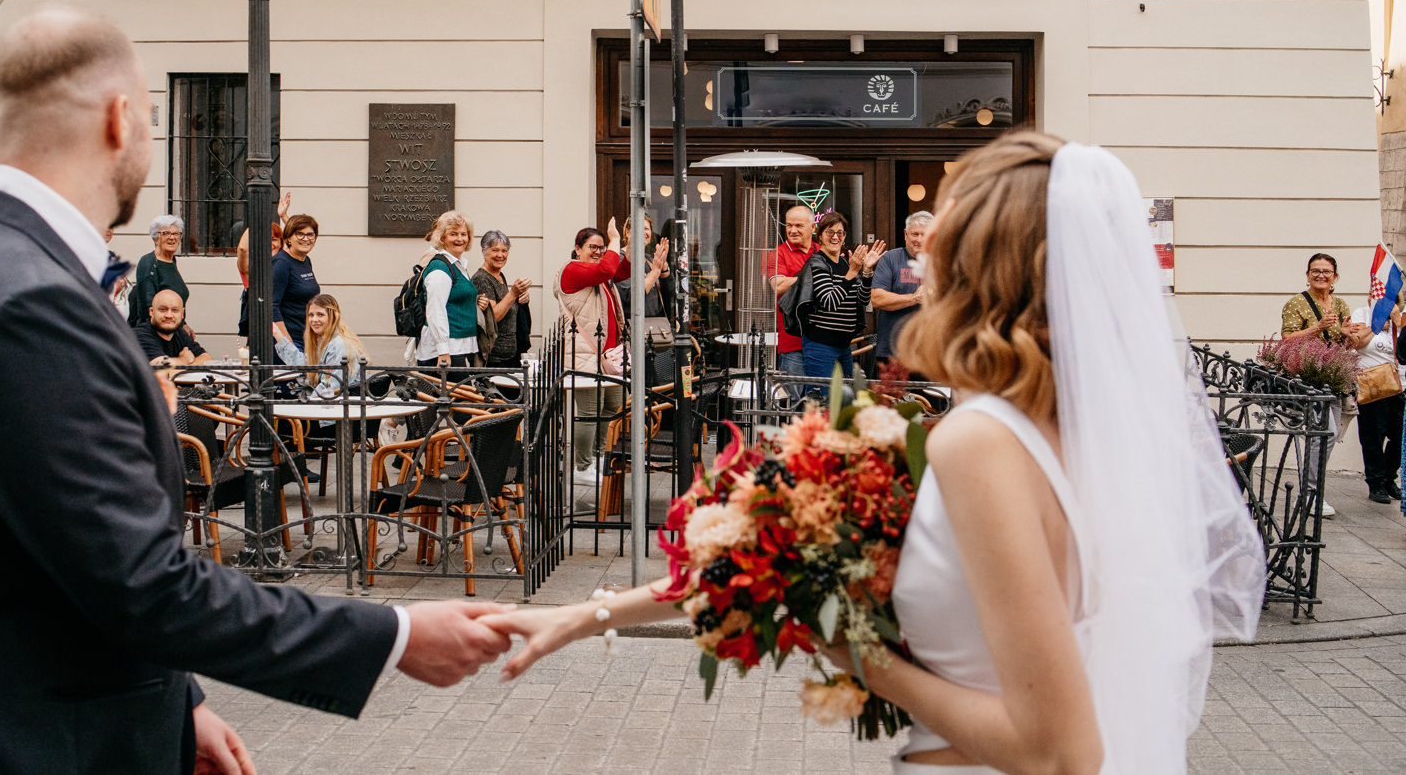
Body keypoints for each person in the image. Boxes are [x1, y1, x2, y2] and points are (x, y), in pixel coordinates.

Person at [0, 8, 513, 774]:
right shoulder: (27, 298)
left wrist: (176, 697)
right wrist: (394, 636)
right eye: (153, 118)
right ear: (118, 118)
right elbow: (140, 578)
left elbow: (59, 555)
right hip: (5, 745)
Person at [480, 132, 1265, 775]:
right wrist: (582, 616)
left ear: (982, 261)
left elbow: (1060, 752)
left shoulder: (981, 442)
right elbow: (768, 551)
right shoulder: (1056, 428)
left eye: (945, 228)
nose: (923, 252)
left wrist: (857, 652)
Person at [555, 220, 630, 488]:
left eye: (601, 247)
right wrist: (613, 240)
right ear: (577, 249)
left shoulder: (599, 276)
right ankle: (582, 467)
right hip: (584, 354)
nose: (598, 252)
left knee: (614, 406)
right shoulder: (572, 270)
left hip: (610, 356)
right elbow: (608, 268)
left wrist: (632, 244)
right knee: (589, 412)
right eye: (592, 247)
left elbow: (622, 270)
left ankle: (599, 457)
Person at [1281, 252, 1355, 518]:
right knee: (1324, 434)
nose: (1321, 275)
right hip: (1308, 380)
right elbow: (1287, 339)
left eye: (1326, 271)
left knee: (1327, 436)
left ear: (1335, 276)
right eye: (1315, 270)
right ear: (1307, 274)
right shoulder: (1297, 303)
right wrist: (1318, 327)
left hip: (1333, 380)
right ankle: (1310, 495)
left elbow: (1346, 343)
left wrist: (1348, 336)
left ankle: (1312, 493)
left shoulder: (1341, 304)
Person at [798, 212, 883, 382]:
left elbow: (862, 299)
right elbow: (829, 302)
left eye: (840, 233)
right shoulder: (818, 262)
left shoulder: (845, 263)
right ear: (820, 236)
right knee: (821, 395)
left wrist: (867, 272)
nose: (835, 237)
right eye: (830, 232)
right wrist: (853, 271)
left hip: (844, 345)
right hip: (821, 345)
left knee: (846, 396)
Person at [1345, 308, 1404, 503]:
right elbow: (1356, 343)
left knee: (1400, 436)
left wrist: (1398, 322)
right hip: (1372, 385)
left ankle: (1388, 477)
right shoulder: (1362, 315)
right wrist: (1376, 326)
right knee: (1373, 436)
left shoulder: (1401, 317)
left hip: (1400, 385)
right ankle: (1376, 482)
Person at [413, 211, 481, 368]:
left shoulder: (457, 266)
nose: (460, 239)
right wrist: (443, 351)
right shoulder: (440, 269)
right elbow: (435, 310)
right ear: (442, 238)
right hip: (443, 353)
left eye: (464, 234)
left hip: (457, 349)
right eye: (453, 234)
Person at [765, 204, 817, 402]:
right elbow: (778, 285)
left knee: (820, 400)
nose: (793, 230)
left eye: (799, 225)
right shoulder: (778, 254)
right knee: (792, 400)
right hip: (792, 341)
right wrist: (814, 278)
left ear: (813, 227)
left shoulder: (821, 251)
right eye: (789, 225)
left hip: (821, 340)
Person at [868, 211, 930, 372]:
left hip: (931, 355)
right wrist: (914, 298)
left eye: (924, 234)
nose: (919, 239)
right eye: (915, 234)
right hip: (892, 353)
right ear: (905, 234)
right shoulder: (890, 259)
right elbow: (877, 299)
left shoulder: (942, 263)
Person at [275, 293, 365, 396]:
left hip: (342, 404)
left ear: (333, 317)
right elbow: (304, 364)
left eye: (320, 315)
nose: (314, 320)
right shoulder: (324, 341)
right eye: (311, 315)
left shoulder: (338, 344)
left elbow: (329, 387)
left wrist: (307, 403)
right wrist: (277, 334)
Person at [471, 230, 532, 367]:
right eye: (495, 250)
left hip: (509, 356)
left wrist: (521, 298)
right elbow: (493, 316)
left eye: (504, 251)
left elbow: (506, 305)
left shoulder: (499, 275)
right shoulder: (481, 278)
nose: (500, 255)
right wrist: (513, 293)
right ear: (483, 252)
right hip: (494, 359)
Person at [236, 192, 292, 340]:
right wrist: (256, 220)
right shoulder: (251, 266)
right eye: (264, 239)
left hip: (288, 326)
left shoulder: (286, 260)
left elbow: (298, 239)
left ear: (281, 242)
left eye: (273, 239)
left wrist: (284, 217)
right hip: (261, 331)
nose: (269, 244)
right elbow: (242, 249)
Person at [127, 214, 189, 327]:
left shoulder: (171, 261)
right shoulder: (148, 263)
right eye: (166, 233)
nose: (172, 237)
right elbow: (147, 308)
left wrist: (183, 325)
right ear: (155, 238)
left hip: (172, 327)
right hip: (156, 330)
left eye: (175, 233)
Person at [272, 213, 321, 348]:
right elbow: (272, 306)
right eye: (300, 234)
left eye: (310, 234)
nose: (306, 239)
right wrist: (287, 342)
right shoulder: (281, 263)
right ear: (288, 237)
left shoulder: (305, 260)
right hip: (290, 340)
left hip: (306, 337)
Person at [136, 289, 213, 367]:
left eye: (175, 310)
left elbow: (206, 359)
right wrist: (184, 360)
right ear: (151, 312)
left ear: (182, 314)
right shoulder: (140, 335)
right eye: (163, 310)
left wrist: (180, 367)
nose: (169, 315)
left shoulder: (180, 333)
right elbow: (161, 368)